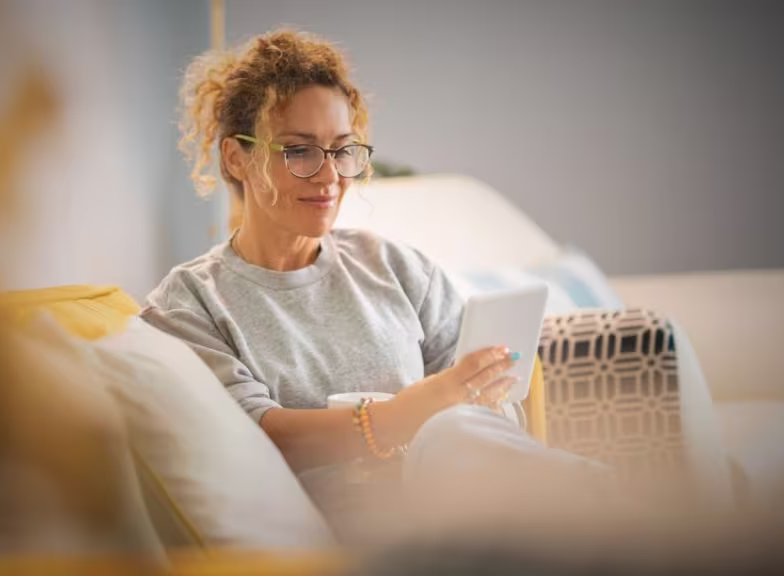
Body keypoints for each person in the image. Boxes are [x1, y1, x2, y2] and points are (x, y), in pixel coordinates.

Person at [142, 29, 603, 537]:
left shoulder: (393, 266)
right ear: (236, 158)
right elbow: (263, 437)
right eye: (298, 151)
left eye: (342, 151)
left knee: (457, 436)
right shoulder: (189, 303)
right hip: (372, 534)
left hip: (473, 507)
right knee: (451, 436)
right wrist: (413, 411)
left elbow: (489, 416)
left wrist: (481, 388)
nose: (329, 177)